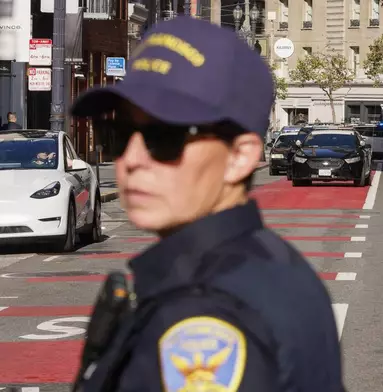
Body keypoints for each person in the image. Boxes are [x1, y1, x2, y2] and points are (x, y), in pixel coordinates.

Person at [69, 17, 343, 392]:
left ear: (240, 156)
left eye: (164, 137)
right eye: (118, 134)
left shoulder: (204, 314)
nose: (130, 159)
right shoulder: (270, 266)